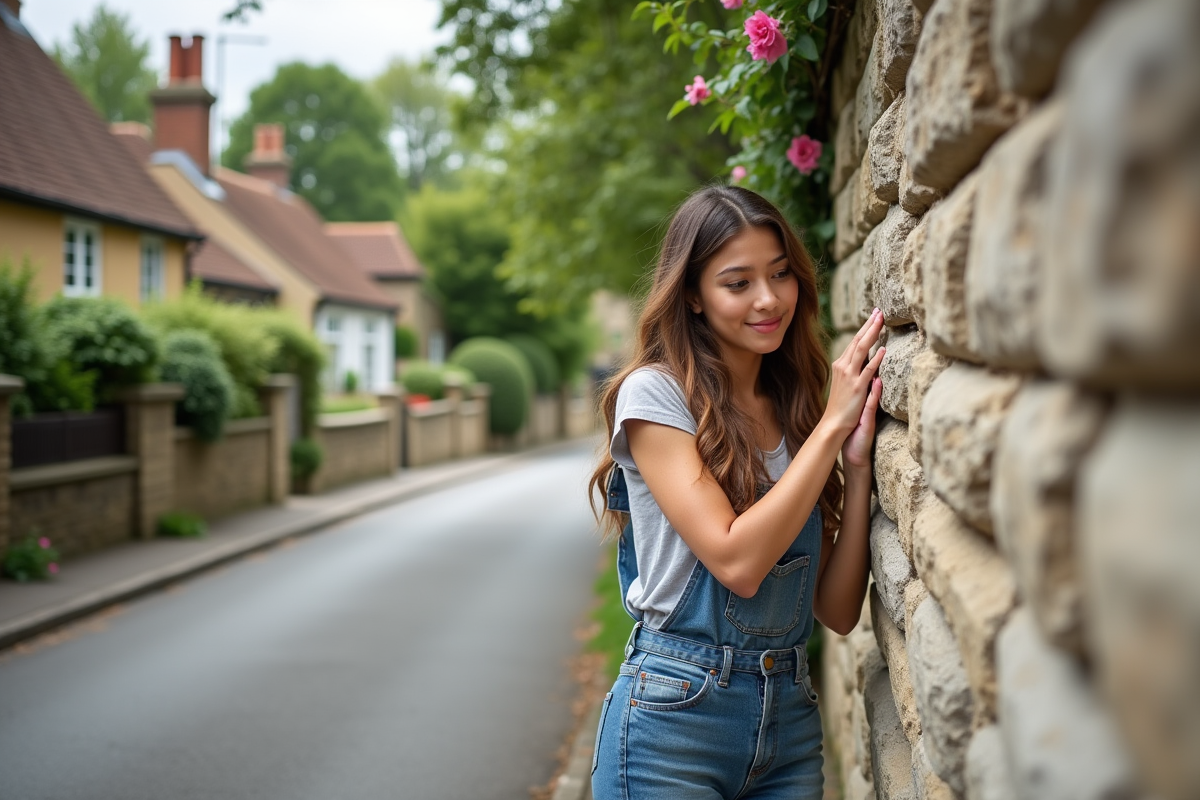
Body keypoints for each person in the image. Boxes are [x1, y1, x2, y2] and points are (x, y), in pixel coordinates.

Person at [588, 184, 884, 799]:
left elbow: (835, 609)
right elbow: (737, 562)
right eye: (737, 282)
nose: (768, 298)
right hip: (673, 724)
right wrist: (832, 428)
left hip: (789, 727)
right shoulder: (655, 396)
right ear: (693, 296)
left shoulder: (795, 404)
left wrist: (855, 473)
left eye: (780, 274)